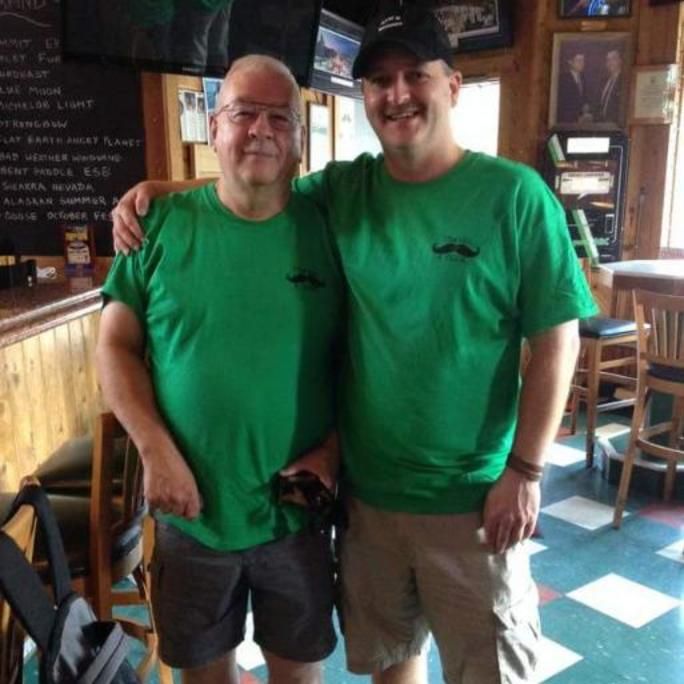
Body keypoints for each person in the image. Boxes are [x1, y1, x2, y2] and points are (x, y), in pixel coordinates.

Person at [111, 4, 598, 683]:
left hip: (475, 496)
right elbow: (255, 180)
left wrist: (527, 471)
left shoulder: (514, 196)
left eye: (414, 75)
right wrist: (161, 193)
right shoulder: (345, 190)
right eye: (378, 81)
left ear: (451, 86)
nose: (397, 94)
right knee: (393, 666)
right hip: (367, 502)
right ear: (362, 96)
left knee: (488, 670)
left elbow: (557, 342)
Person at [97, 55, 343, 684]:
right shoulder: (156, 227)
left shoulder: (333, 230)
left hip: (295, 512)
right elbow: (114, 348)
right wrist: (155, 450)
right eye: (244, 113)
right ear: (214, 127)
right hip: (190, 514)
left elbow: (366, 362)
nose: (261, 128)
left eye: (279, 117)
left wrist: (337, 450)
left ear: (298, 137)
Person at [556, 52, 588, 125]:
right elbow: (562, 105)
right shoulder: (563, 79)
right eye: (578, 60)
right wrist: (575, 118)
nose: (582, 63)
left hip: (580, 123)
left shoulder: (583, 79)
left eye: (583, 61)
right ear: (570, 62)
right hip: (567, 122)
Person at [597, 49, 624, 125]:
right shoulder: (603, 82)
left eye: (613, 59)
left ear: (620, 61)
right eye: (608, 60)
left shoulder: (624, 81)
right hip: (601, 126)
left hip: (616, 127)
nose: (610, 63)